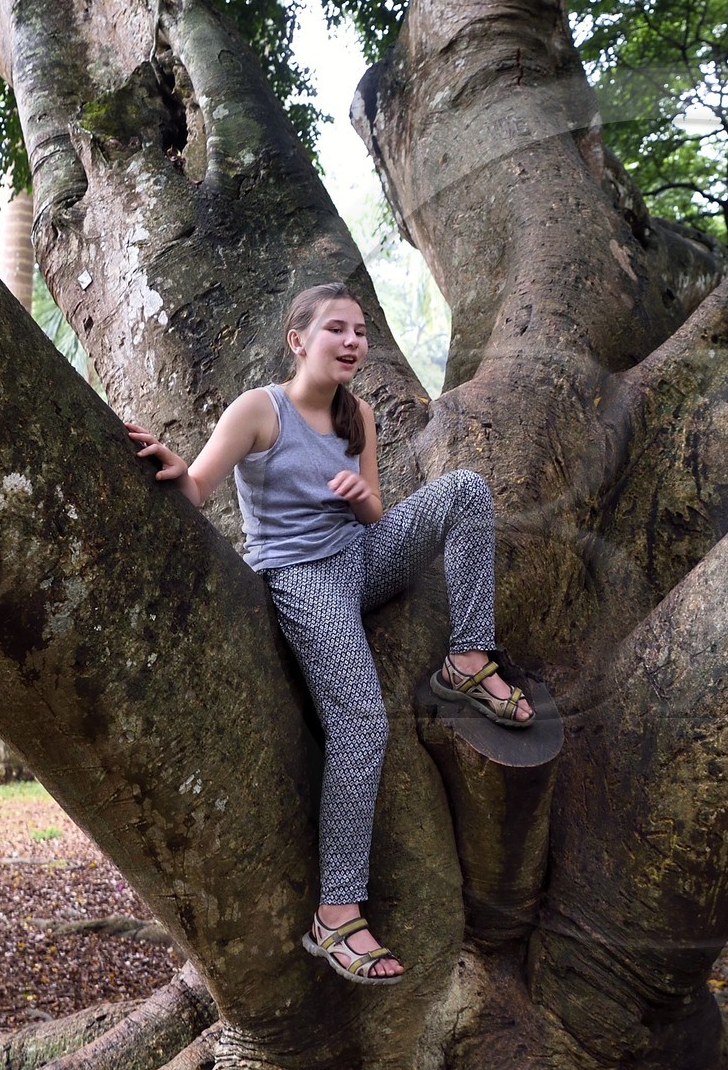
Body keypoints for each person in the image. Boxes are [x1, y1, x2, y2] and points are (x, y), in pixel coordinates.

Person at [128, 284, 532, 989]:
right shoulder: (261, 409)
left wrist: (360, 496)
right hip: (300, 577)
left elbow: (376, 514)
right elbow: (197, 486)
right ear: (299, 340)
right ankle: (337, 913)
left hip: (360, 557)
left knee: (465, 489)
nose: (353, 342)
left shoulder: (360, 416)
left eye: (361, 332)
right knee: (362, 724)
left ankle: (469, 660)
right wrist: (170, 466)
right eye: (337, 330)